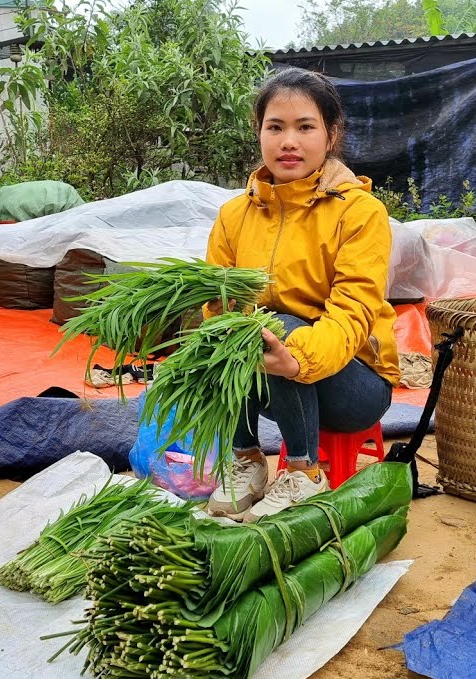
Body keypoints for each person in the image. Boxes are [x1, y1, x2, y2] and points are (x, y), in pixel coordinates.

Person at [203, 67, 400, 522]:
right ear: (259, 133)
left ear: (331, 135)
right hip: (271, 374)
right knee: (230, 331)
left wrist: (297, 358)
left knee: (273, 326)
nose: (288, 141)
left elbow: (354, 311)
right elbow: (216, 302)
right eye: (276, 127)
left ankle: (303, 472)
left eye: (305, 127)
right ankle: (247, 458)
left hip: (355, 384)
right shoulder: (233, 215)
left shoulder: (360, 212)